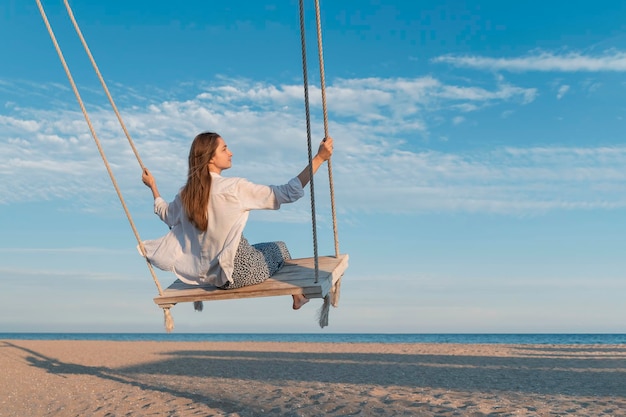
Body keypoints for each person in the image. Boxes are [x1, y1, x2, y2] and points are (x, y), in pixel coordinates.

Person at [140, 131, 333, 310]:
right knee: (280, 247)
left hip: (211, 276)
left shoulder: (186, 195)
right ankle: (298, 297)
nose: (230, 153)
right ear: (210, 158)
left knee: (255, 246)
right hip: (239, 273)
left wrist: (153, 187)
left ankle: (296, 296)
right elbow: (287, 193)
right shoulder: (234, 188)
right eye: (224, 149)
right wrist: (319, 158)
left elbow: (165, 213)